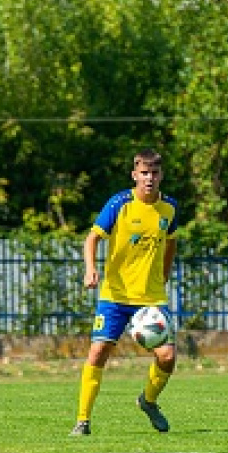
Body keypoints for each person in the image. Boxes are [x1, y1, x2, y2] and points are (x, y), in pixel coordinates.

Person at [70, 149, 178, 436]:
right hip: (115, 296)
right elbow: (92, 238)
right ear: (135, 175)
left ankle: (149, 401)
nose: (149, 178)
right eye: (144, 173)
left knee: (167, 357)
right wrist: (91, 269)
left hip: (152, 298)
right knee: (98, 351)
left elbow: (171, 242)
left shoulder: (169, 208)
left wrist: (165, 274)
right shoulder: (119, 204)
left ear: (161, 175)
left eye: (154, 173)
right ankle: (83, 420)